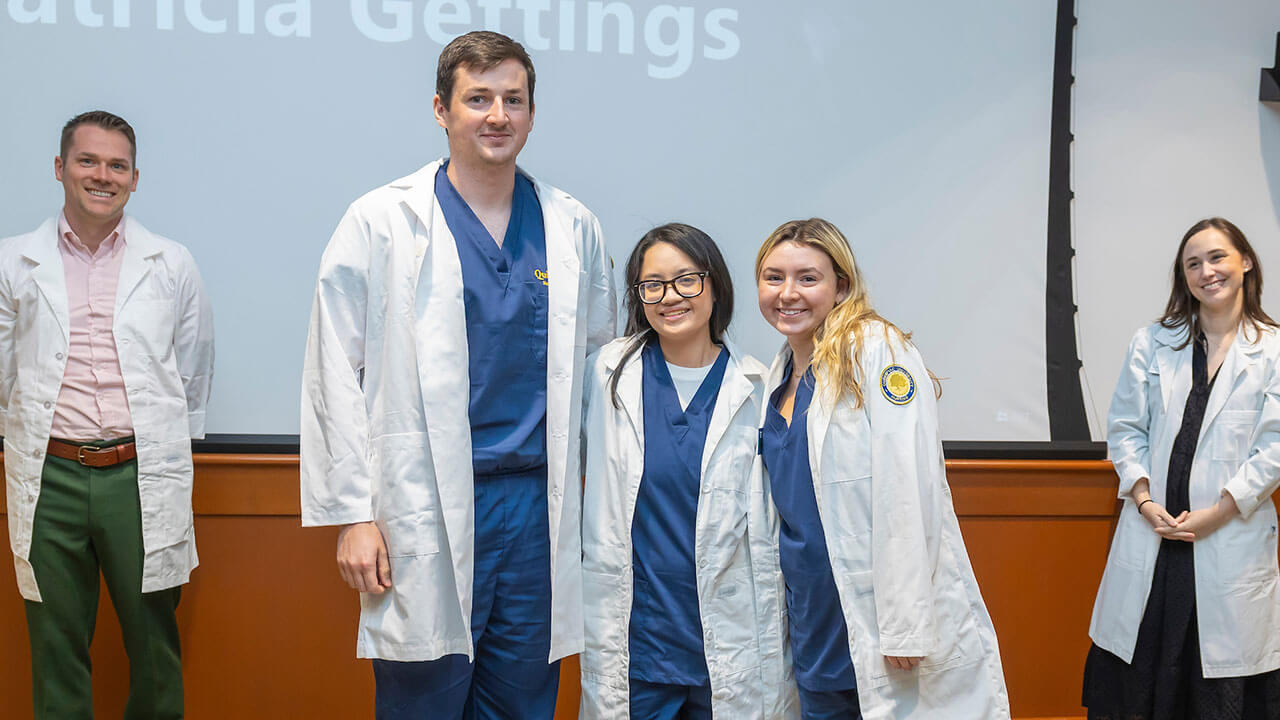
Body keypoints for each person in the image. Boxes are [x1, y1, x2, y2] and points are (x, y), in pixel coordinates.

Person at [300, 30, 616, 720]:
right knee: (424, 699)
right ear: (441, 109)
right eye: (478, 99)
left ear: (532, 113)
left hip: (536, 505)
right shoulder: (382, 220)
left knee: (524, 699)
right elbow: (331, 369)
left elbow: (600, 360)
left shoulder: (571, 225)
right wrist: (354, 516)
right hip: (425, 505)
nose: (497, 115)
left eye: (513, 99)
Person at [0, 110, 215, 719]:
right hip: (51, 477)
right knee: (56, 643)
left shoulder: (172, 264)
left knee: (153, 643)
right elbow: (5, 373)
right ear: (61, 168)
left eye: (117, 165)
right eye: (88, 161)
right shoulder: (13, 262)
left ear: (136, 178)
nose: (103, 175)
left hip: (138, 473)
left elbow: (192, 370)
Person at [753, 218, 1010, 719]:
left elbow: (908, 486)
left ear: (841, 285)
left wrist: (906, 623)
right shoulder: (778, 374)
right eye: (773, 277)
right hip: (813, 614)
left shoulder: (877, 349)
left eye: (808, 278)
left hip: (875, 617)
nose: (788, 293)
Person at [580, 224, 797, 719]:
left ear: (714, 285)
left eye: (686, 280)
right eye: (652, 284)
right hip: (637, 646)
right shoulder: (603, 375)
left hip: (729, 641)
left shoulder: (760, 388)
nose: (669, 297)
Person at [1083, 217, 1280, 719]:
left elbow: (1274, 448)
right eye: (1193, 263)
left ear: (1246, 262)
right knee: (1138, 684)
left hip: (1224, 537)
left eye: (1217, 257)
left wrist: (1219, 511)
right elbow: (1126, 430)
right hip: (1155, 535)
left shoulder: (1273, 349)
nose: (1206, 271)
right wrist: (1145, 501)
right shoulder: (1153, 342)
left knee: (1216, 687)